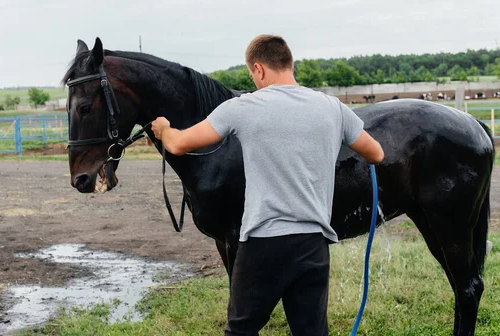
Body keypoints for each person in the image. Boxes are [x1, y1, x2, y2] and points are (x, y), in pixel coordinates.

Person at [151, 34, 384, 336]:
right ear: (290, 63)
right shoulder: (333, 108)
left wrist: (163, 128)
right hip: (313, 244)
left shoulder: (242, 108)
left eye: (252, 74)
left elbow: (179, 145)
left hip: (264, 243)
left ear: (258, 69)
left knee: (240, 331)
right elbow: (376, 153)